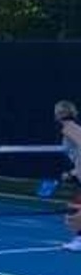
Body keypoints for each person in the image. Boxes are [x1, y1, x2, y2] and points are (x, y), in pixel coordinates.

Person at [51, 101, 81, 252]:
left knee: (75, 209)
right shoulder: (72, 128)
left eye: (56, 111)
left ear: (61, 114)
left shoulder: (69, 129)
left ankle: (79, 241)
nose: (55, 114)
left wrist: (75, 172)